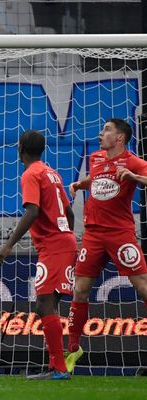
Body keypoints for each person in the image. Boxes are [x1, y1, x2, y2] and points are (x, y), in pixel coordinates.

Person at [65, 118, 147, 372]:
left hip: (120, 234)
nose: (101, 134)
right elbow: (99, 178)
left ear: (120, 138)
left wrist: (133, 176)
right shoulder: (97, 157)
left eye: (107, 130)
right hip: (93, 234)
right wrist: (82, 184)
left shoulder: (133, 161)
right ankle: (73, 348)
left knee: (143, 287)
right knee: (80, 289)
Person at [0, 130, 75, 380]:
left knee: (44, 305)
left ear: (20, 148)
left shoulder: (31, 174)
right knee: (50, 305)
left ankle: (59, 369)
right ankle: (57, 366)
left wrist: (8, 245)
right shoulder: (52, 173)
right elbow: (69, 212)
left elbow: (32, 210)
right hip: (65, 241)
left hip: (54, 246)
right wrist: (66, 234)